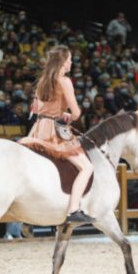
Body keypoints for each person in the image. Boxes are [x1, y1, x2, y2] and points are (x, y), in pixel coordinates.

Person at [18, 45, 95, 223]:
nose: (71, 63)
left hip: (38, 128)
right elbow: (76, 113)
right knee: (86, 167)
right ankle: (73, 209)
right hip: (56, 130)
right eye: (69, 59)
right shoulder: (64, 81)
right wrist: (67, 115)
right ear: (62, 61)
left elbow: (36, 109)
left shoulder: (42, 81)